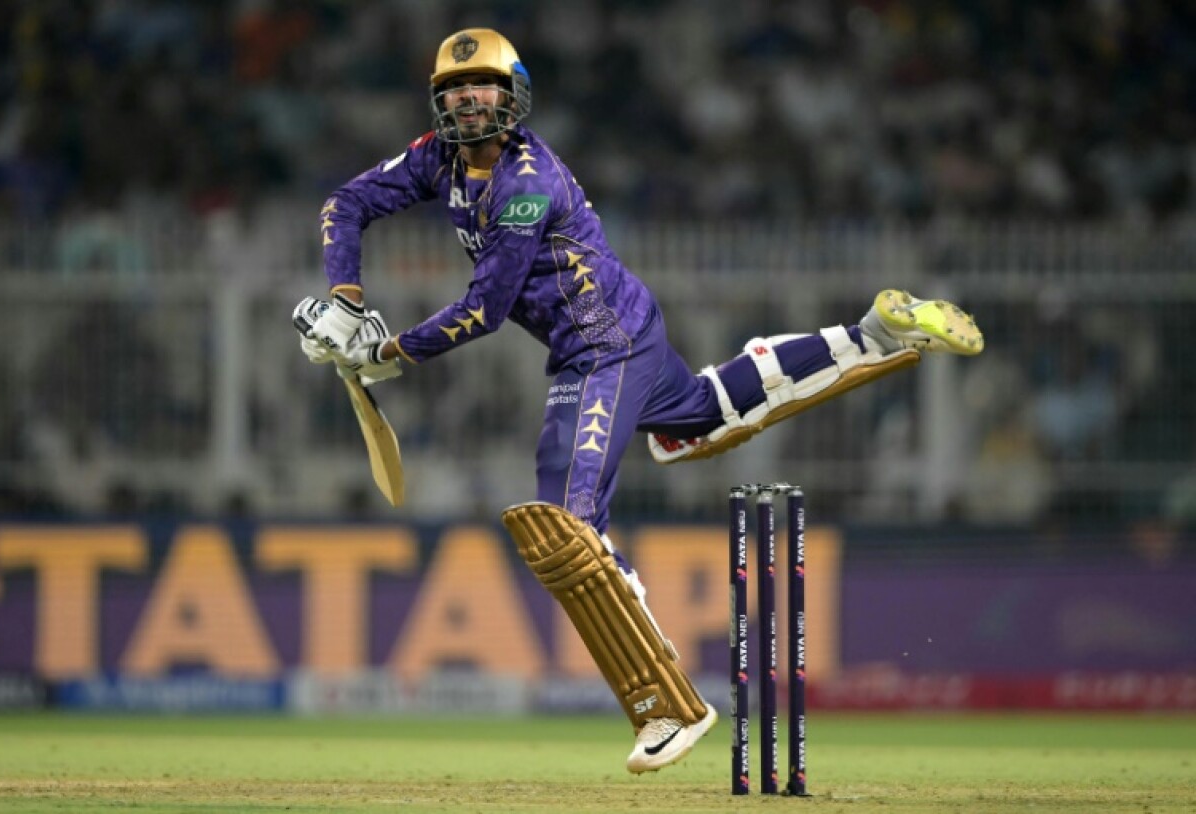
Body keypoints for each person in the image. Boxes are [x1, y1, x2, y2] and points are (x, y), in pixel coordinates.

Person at [294, 28, 983, 774]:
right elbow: (348, 202)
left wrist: (388, 354)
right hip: (623, 332)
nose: (468, 100)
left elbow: (486, 310)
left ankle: (668, 707)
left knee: (564, 527)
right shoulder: (438, 157)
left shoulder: (527, 184)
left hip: (603, 348)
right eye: (454, 89)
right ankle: (871, 333)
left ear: (513, 95)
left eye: (482, 85)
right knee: (706, 418)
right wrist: (347, 299)